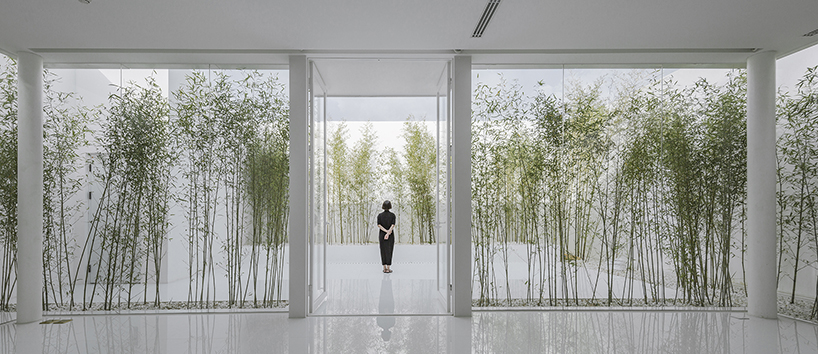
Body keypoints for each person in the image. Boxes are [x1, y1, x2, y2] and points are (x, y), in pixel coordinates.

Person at [377, 200, 396, 273]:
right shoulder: (392, 215)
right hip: (390, 235)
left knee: (383, 250)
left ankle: (384, 268)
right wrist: (388, 233)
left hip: (382, 235)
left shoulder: (380, 215)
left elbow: (379, 225)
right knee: (389, 250)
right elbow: (393, 225)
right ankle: (388, 268)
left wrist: (385, 232)